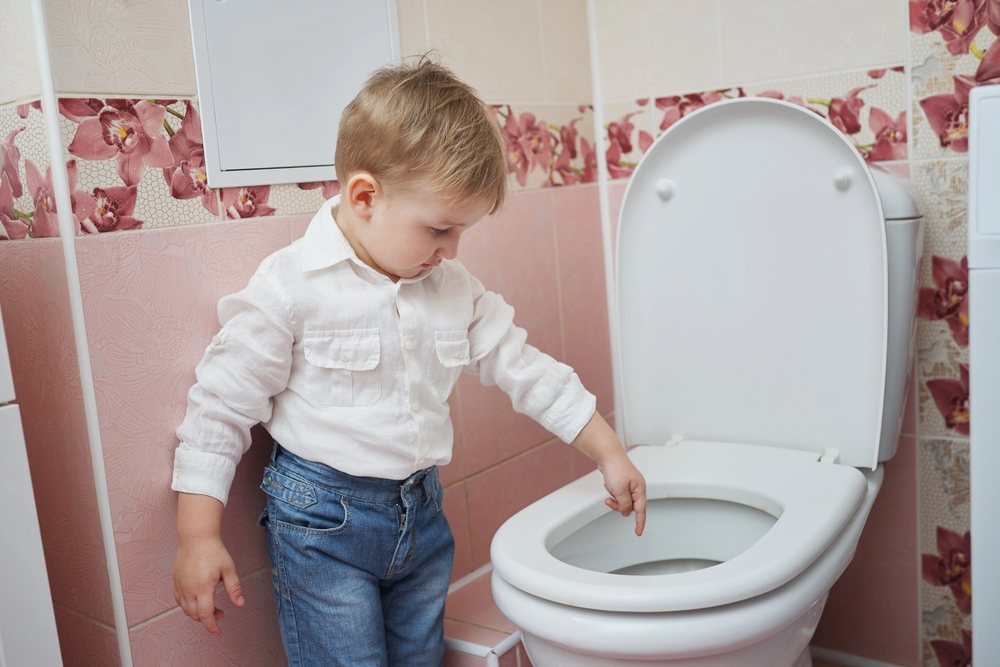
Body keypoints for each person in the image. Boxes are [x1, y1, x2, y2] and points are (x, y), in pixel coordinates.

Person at [171, 57, 647, 667]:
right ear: (364, 196)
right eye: (439, 230)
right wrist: (198, 536)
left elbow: (524, 367)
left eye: (460, 234)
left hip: (420, 519)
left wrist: (609, 451)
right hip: (323, 530)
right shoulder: (292, 290)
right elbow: (220, 406)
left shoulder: (452, 288)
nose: (451, 250)